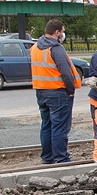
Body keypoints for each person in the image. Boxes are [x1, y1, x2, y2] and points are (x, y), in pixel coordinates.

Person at [31, 19, 80, 164]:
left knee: (47, 124)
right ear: (57, 32)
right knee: (60, 127)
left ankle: (47, 157)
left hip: (41, 91)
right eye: (62, 31)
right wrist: (70, 90)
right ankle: (61, 158)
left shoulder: (35, 47)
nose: (63, 34)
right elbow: (66, 73)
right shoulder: (56, 49)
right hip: (58, 92)